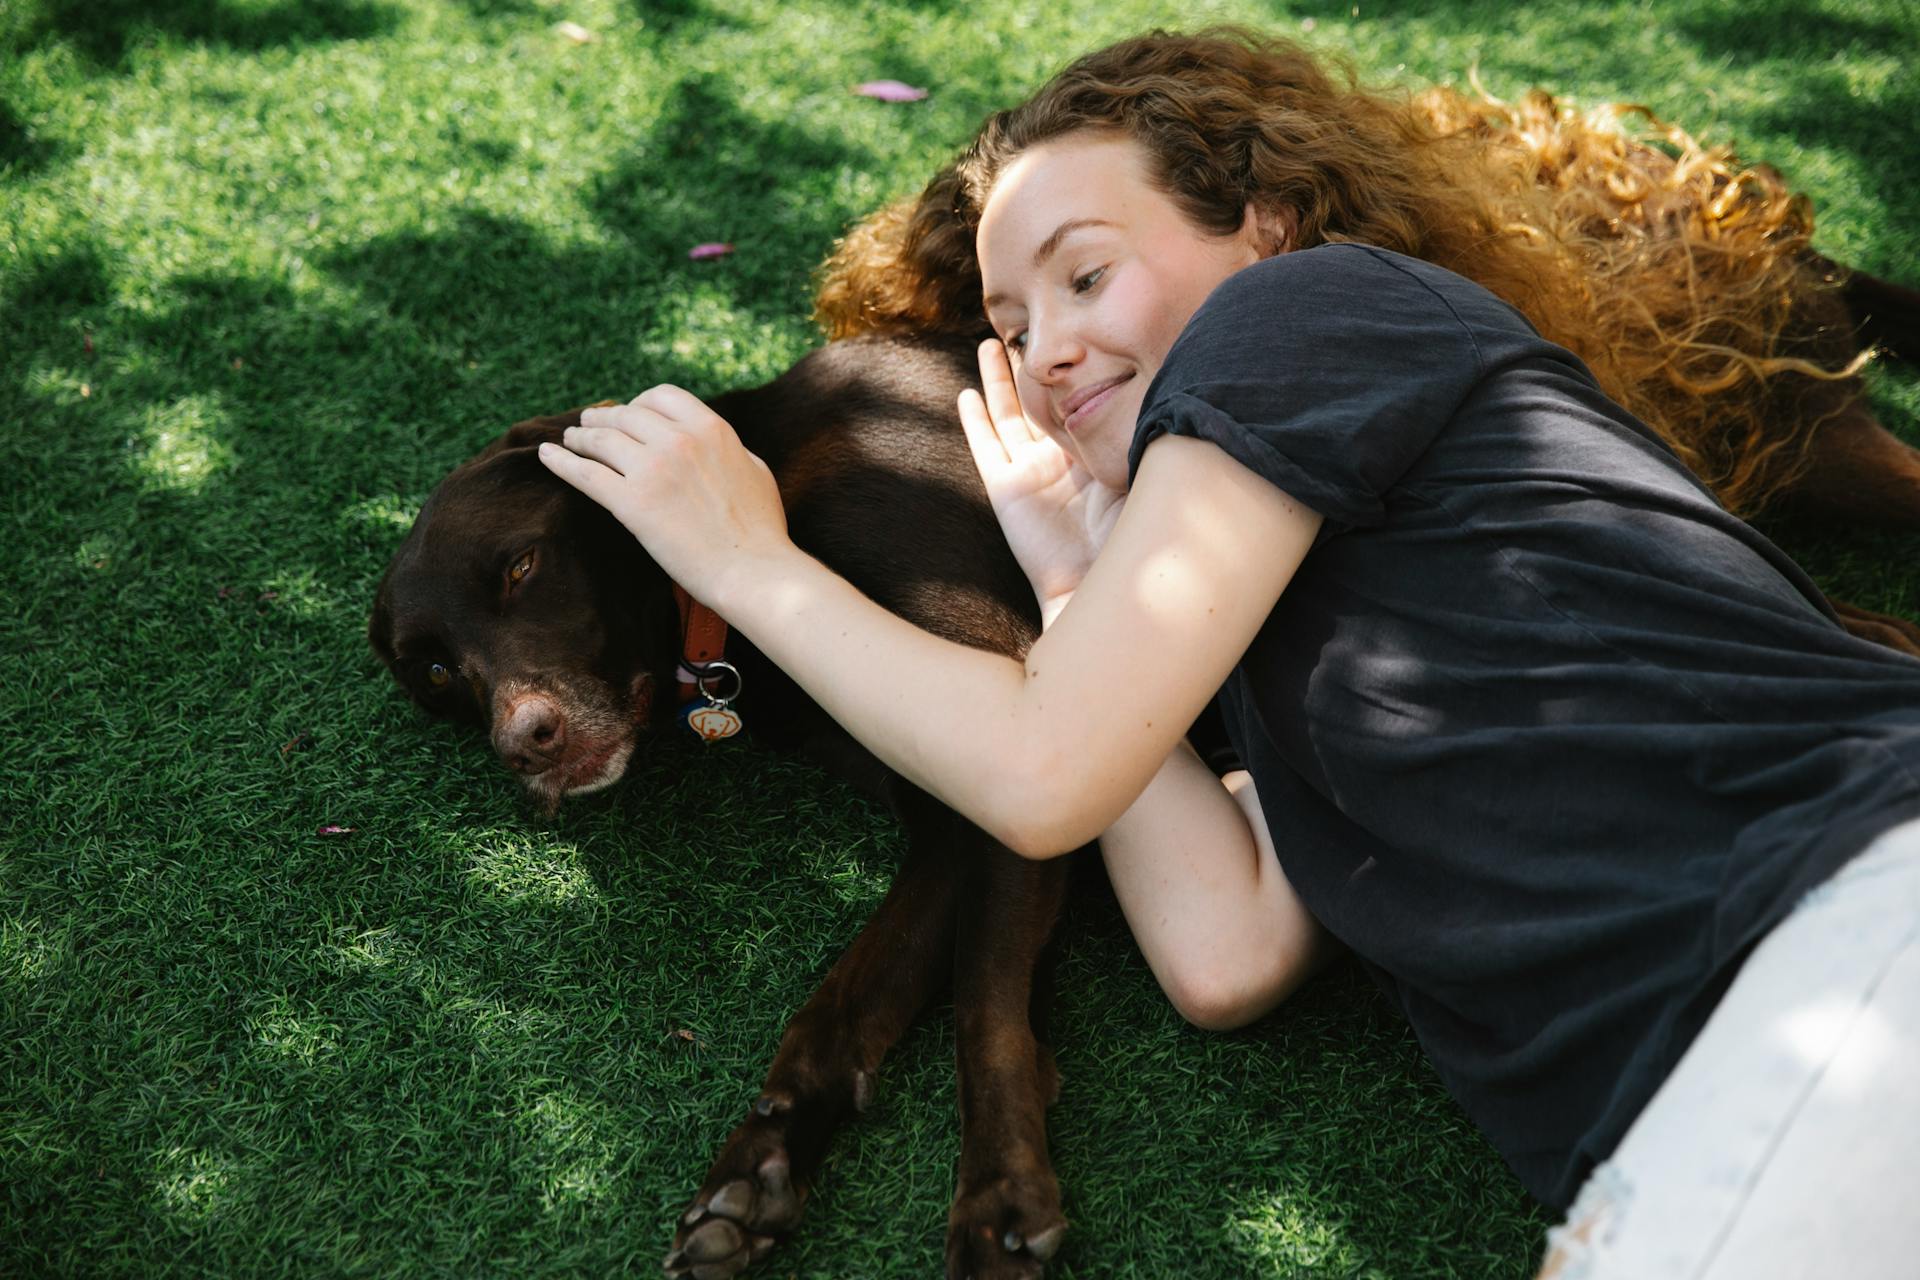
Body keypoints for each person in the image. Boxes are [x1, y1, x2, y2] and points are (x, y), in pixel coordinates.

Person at [539, 27, 1920, 1280]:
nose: (1052, 352)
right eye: (1013, 333)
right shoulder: (1284, 628)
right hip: (1720, 1061)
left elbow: (1044, 771)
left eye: (1087, 274)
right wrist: (1075, 577)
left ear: (1268, 226)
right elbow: (1227, 952)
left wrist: (738, 561)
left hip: (1837, 932)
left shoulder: (1298, 311)